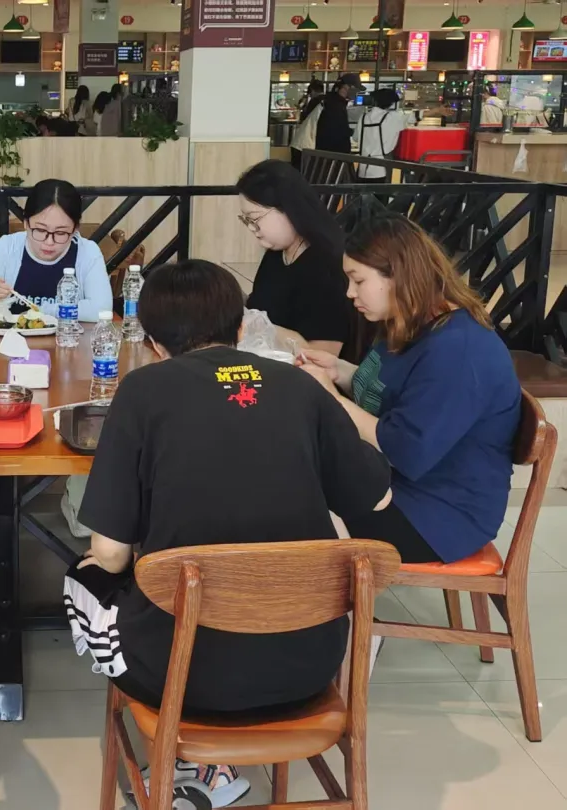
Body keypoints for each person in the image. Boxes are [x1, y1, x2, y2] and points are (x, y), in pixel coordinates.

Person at [64, 259, 391, 808]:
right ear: (240, 328)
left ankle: (194, 762)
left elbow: (112, 553)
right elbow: (376, 498)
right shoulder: (298, 386)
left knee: (85, 573)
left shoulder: (141, 392)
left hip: (182, 677)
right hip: (311, 665)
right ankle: (210, 768)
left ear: (153, 343)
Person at [297, 215, 520, 564]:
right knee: (285, 476)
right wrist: (338, 371)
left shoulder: (459, 350)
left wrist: (330, 397)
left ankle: (314, 593)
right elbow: (395, 389)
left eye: (358, 280)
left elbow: (402, 449)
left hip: (435, 515)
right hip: (399, 484)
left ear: (399, 276)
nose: (350, 292)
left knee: (289, 508)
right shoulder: (411, 323)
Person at [237, 159, 353, 357]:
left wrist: (260, 326)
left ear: (289, 208)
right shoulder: (276, 254)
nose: (251, 228)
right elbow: (259, 308)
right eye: (246, 220)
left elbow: (323, 355)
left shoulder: (326, 266)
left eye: (254, 219)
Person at [0, 179, 111, 321]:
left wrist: (42, 311)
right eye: (40, 230)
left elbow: (101, 310)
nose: (49, 242)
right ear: (26, 223)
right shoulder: (7, 247)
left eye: (60, 233)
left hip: (67, 338)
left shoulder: (88, 252)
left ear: (75, 229)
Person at [355, 88, 405, 182]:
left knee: (362, 191)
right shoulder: (393, 118)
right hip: (381, 168)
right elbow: (411, 119)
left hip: (362, 168)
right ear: (391, 103)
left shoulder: (363, 117)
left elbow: (355, 138)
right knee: (380, 191)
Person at [315, 73, 364, 155]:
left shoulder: (333, 101)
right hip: (332, 155)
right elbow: (336, 132)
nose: (357, 92)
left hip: (329, 153)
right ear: (346, 87)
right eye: (356, 88)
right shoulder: (335, 105)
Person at [290, 79, 325, 170]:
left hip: (304, 142)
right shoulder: (324, 102)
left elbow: (304, 118)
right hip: (311, 143)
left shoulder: (315, 101)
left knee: (299, 169)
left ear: (312, 91)